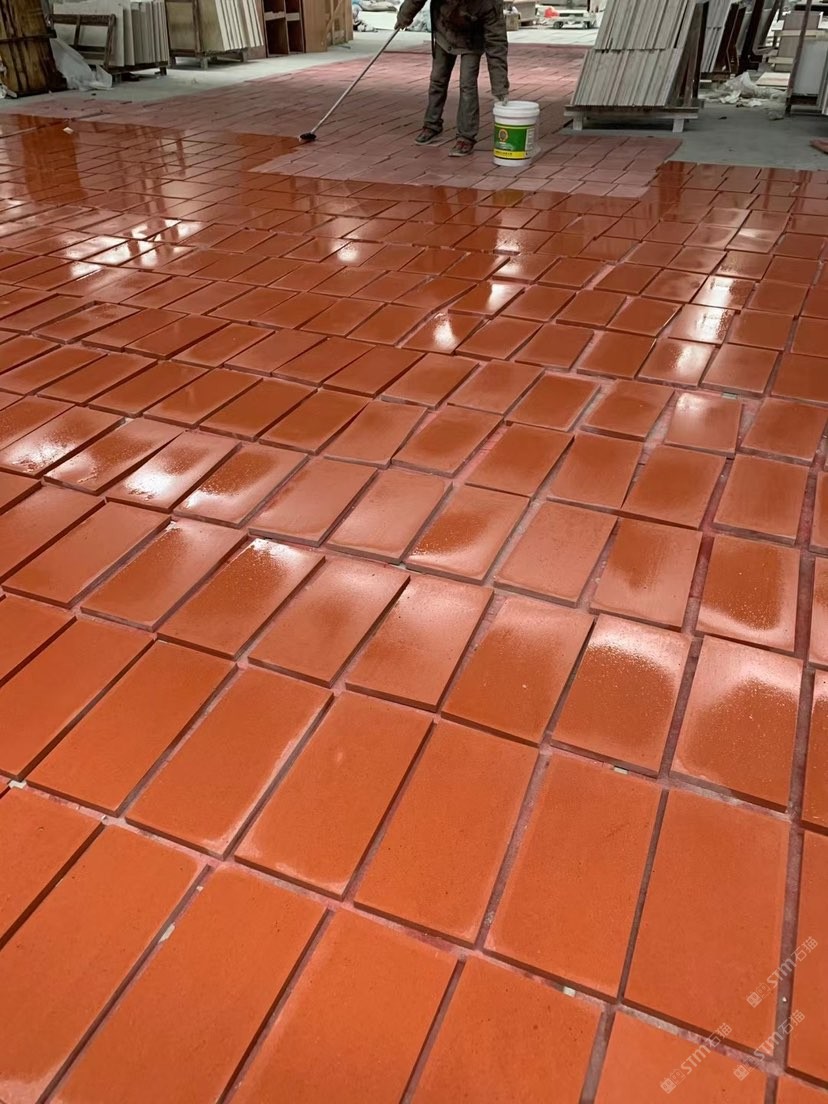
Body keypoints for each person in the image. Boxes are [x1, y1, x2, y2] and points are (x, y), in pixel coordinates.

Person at [395, 0, 509, 156]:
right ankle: (432, 125)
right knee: (437, 79)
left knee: (467, 85)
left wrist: (499, 87)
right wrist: (405, 15)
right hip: (444, 29)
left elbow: (496, 43)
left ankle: (466, 136)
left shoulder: (490, 3)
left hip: (472, 40)